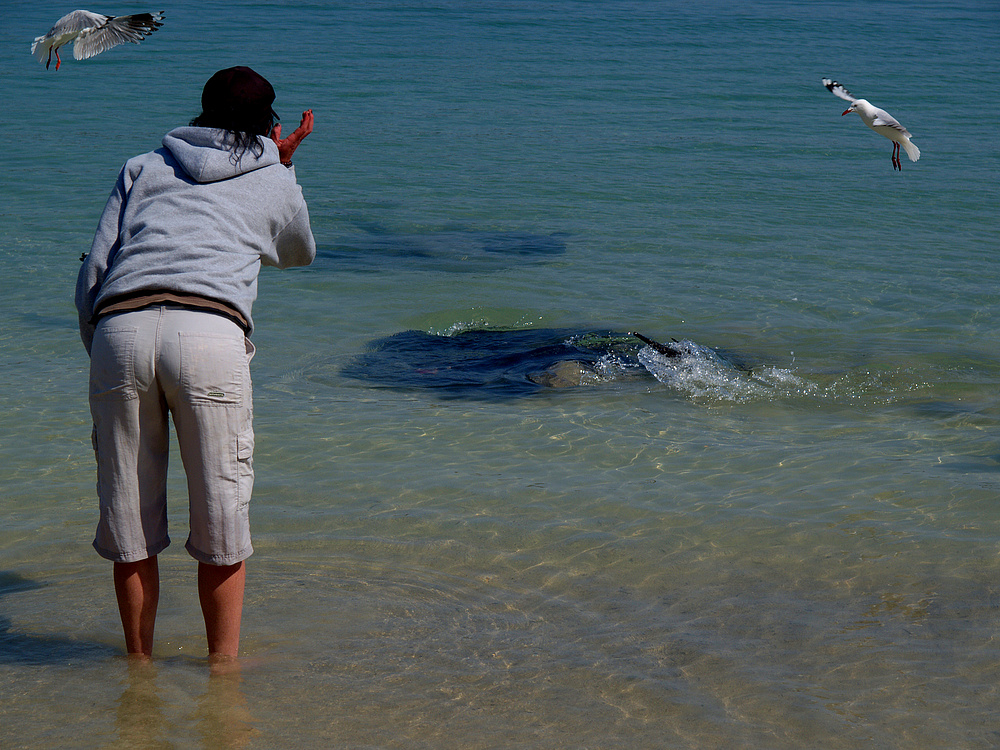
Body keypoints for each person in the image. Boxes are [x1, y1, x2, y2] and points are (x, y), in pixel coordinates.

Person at [75, 66, 316, 665]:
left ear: (201, 111)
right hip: (208, 334)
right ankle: (223, 675)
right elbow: (297, 253)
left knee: (130, 524)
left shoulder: (144, 165)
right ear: (271, 123)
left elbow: (93, 275)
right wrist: (282, 165)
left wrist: (105, 351)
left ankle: (138, 671)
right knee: (221, 521)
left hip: (120, 327)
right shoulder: (274, 176)